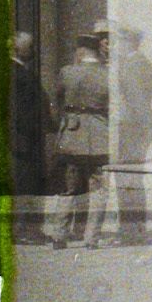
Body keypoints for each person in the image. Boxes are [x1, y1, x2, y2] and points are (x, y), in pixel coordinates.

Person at [46, 29, 110, 249]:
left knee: (68, 187)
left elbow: (56, 103)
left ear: (81, 51)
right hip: (100, 134)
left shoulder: (67, 72)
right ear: (97, 50)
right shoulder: (108, 74)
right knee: (99, 189)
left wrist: (61, 125)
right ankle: (91, 239)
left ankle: (59, 236)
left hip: (72, 134)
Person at [112, 25, 152, 246]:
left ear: (130, 42)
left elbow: (138, 102)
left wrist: (141, 131)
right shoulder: (133, 63)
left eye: (118, 41)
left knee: (128, 178)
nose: (115, 46)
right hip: (133, 127)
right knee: (130, 178)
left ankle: (131, 229)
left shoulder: (135, 65)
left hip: (132, 127)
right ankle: (133, 227)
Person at [9, 31, 52, 240]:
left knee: (23, 183)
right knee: (25, 184)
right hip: (24, 140)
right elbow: (18, 111)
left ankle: (21, 229)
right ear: (17, 49)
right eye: (30, 47)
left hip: (20, 139)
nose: (34, 51)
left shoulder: (14, 71)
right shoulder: (18, 74)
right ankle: (23, 230)